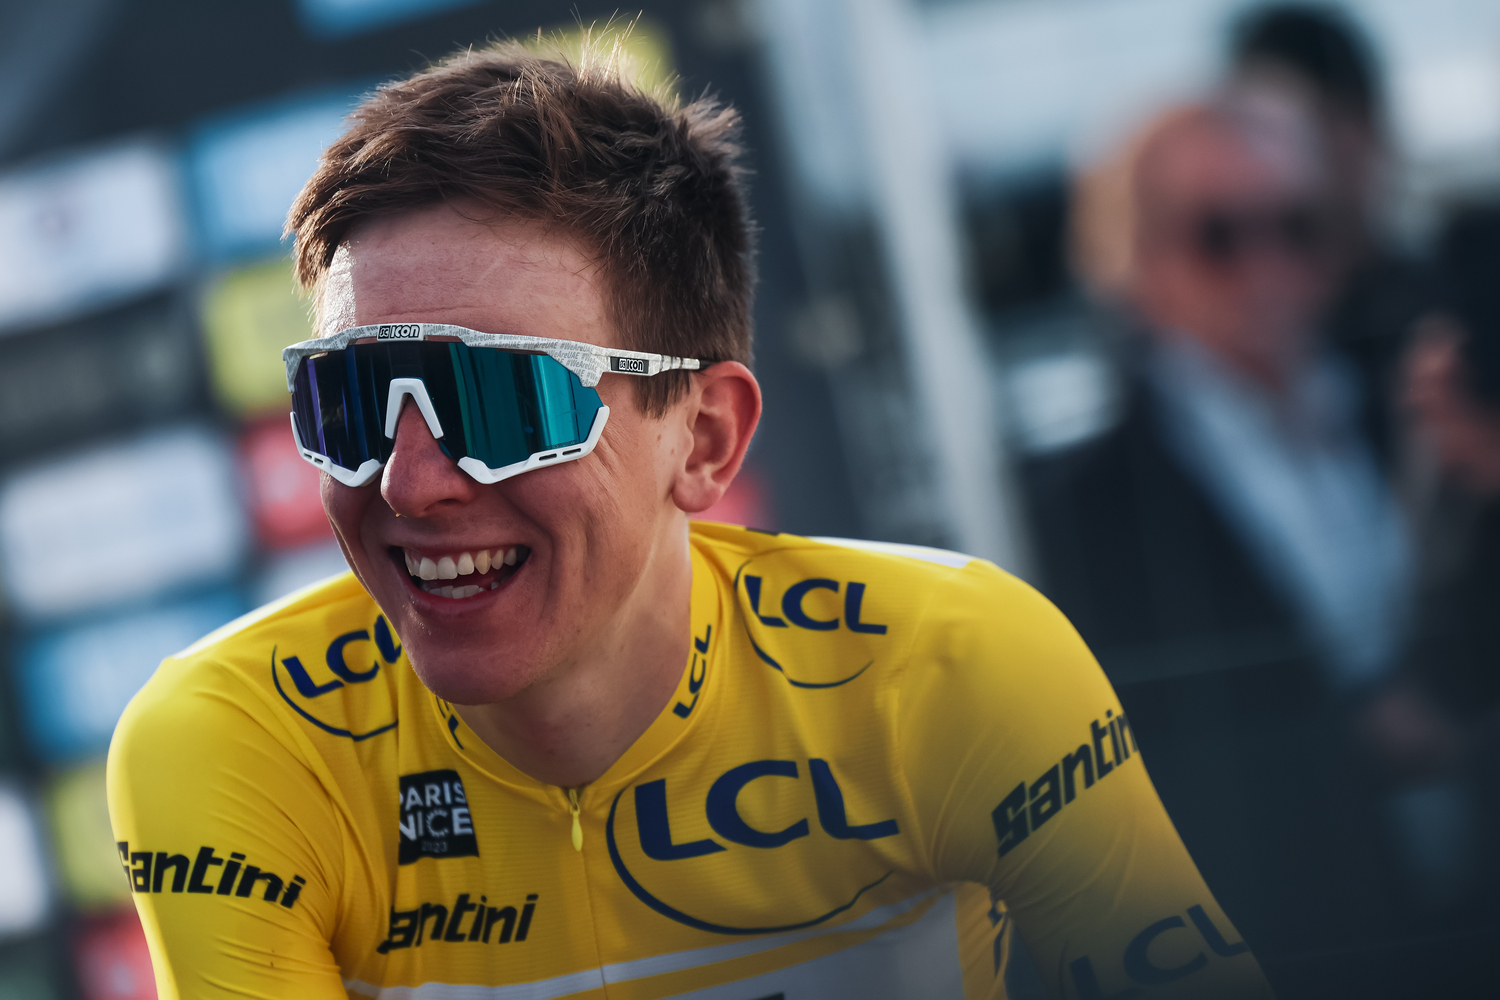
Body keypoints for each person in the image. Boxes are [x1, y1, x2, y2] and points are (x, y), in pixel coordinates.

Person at [106, 41, 1270, 999]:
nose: (412, 484)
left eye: (502, 404)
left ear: (705, 437)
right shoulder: (237, 741)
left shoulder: (947, 665)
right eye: (350, 403)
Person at [1029, 90, 1409, 957]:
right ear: (1136, 259)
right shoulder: (1087, 512)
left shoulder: (1410, 408)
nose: (1268, 265)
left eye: (1298, 226)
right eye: (1219, 236)